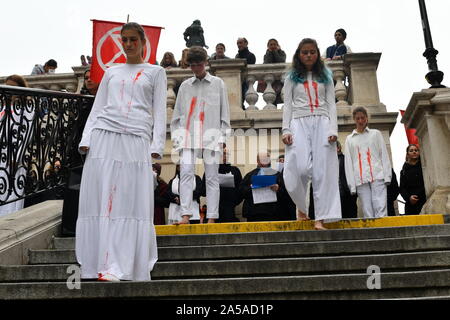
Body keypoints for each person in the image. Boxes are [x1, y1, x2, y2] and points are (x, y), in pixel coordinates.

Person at [75, 22, 167, 282]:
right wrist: (86, 138)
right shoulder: (112, 71)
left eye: (133, 40)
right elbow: (99, 106)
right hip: (104, 135)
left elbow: (159, 112)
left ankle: (121, 264)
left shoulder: (156, 72)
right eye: (124, 40)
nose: (128, 45)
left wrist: (156, 146)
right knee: (102, 199)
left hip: (136, 138)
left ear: (142, 42)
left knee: (128, 201)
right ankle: (99, 265)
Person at [282, 38, 341, 230]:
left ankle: (320, 218)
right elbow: (287, 105)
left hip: (323, 123)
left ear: (317, 54)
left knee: (322, 172)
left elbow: (332, 104)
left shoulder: (326, 76)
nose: (308, 55)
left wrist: (333, 129)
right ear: (299, 55)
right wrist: (286, 129)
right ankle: (301, 206)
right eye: (305, 52)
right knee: (299, 168)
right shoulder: (291, 77)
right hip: (298, 122)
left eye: (312, 52)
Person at [170, 46, 230, 224]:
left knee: (211, 177)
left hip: (211, 135)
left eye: (198, 64)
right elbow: (177, 114)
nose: (195, 68)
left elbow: (224, 113)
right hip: (187, 135)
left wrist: (223, 137)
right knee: (186, 174)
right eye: (192, 65)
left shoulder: (218, 84)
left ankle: (211, 216)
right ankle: (185, 215)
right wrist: (177, 138)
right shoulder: (185, 86)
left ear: (206, 63)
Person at [344, 106, 392, 219]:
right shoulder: (349, 139)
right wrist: (352, 185)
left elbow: (384, 155)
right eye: (358, 118)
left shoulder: (376, 134)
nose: (360, 121)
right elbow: (348, 163)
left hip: (377, 175)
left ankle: (383, 231)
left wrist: (387, 176)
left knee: (380, 206)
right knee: (367, 209)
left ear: (366, 118)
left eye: (362, 118)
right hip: (360, 179)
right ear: (354, 119)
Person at [0, 75, 31, 217]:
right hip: (2, 153)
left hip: (13, 157)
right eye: (7, 86)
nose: (9, 91)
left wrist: (16, 157)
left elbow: (26, 135)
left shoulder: (27, 109)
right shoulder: (3, 107)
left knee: (11, 193)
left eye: (13, 87)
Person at [239, 151, 282, 222]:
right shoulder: (250, 175)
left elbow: (286, 193)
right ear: (257, 161)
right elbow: (241, 192)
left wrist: (278, 189)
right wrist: (251, 188)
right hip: (254, 213)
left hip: (274, 213)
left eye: (267, 157)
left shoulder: (277, 175)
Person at [206, 146, 243, 223]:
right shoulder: (210, 170)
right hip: (214, 208)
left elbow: (241, 190)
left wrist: (233, 202)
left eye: (227, 154)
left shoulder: (235, 170)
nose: (225, 156)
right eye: (223, 154)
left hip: (230, 208)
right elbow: (203, 190)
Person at [400, 144, 426, 215]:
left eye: (416, 150)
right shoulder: (403, 171)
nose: (414, 152)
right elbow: (402, 188)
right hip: (411, 205)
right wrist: (409, 198)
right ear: (407, 154)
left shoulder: (424, 166)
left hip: (425, 201)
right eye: (411, 151)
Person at [337, 140, 358, 218]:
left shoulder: (347, 159)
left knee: (350, 220)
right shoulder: (327, 162)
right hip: (335, 198)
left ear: (338, 148)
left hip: (347, 196)